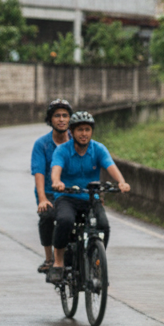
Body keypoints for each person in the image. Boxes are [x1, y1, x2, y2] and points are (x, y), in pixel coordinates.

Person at [47, 111, 131, 285]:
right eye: (79, 130)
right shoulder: (62, 150)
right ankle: (58, 262)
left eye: (87, 129)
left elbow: (110, 166)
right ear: (72, 132)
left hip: (90, 198)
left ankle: (96, 260)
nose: (84, 134)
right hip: (67, 197)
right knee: (64, 220)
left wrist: (121, 182)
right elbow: (56, 169)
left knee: (104, 226)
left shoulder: (98, 149)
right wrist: (57, 182)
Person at [31, 98, 72, 275]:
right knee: (47, 217)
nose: (61, 119)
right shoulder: (42, 144)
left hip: (72, 193)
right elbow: (39, 172)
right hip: (49, 192)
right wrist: (42, 199)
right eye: (57, 116)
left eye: (65, 115)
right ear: (50, 120)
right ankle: (49, 258)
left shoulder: (77, 140)